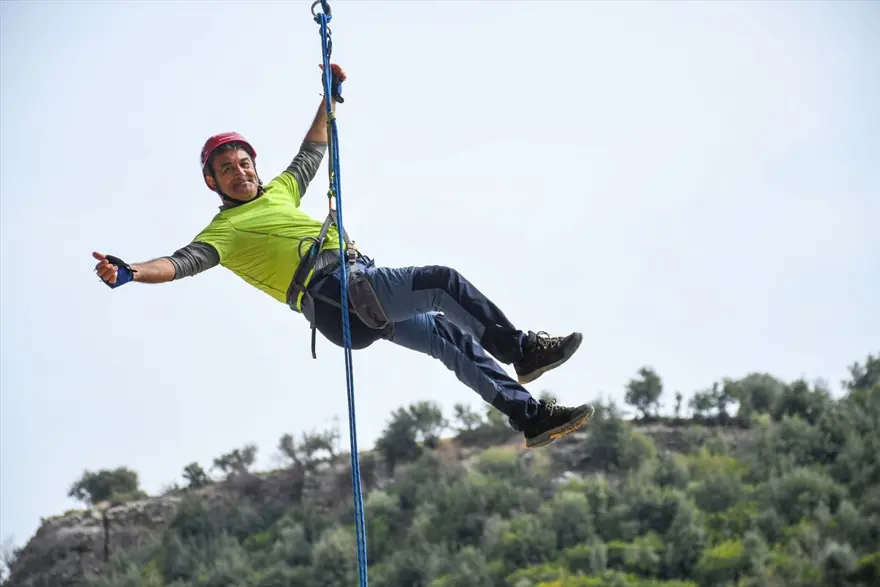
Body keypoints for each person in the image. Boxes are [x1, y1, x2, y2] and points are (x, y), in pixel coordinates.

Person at [92, 64, 594, 449]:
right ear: (212, 182)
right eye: (227, 170)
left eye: (244, 163)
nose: (240, 173)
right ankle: (520, 348)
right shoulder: (223, 232)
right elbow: (178, 264)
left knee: (448, 336)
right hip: (339, 293)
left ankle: (528, 417)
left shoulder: (279, 192)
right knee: (442, 281)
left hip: (354, 301)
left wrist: (328, 98)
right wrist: (131, 272)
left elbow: (312, 149)